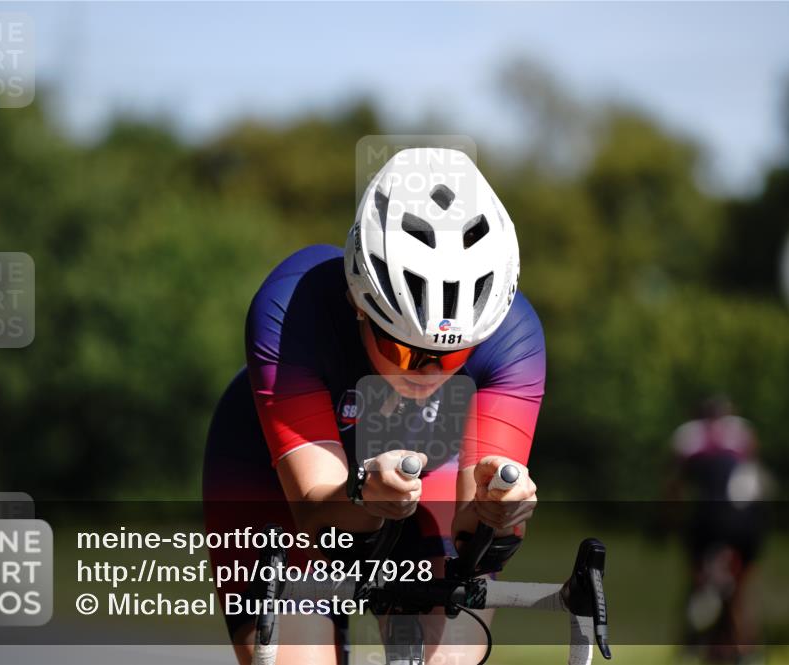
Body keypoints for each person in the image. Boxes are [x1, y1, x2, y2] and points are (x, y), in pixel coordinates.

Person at [203, 148, 545, 664]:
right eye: (401, 349)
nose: (425, 371)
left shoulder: (513, 335)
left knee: (447, 658)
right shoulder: (290, 307)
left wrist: (499, 509)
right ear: (357, 303)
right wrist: (363, 490)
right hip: (276, 479)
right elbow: (317, 513)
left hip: (425, 464)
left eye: (453, 354)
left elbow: (475, 527)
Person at [669, 396, 768, 663]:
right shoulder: (744, 432)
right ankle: (743, 647)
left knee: (700, 579)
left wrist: (670, 523)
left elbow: (675, 489)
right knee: (740, 589)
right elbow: (757, 481)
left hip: (708, 519)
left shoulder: (688, 436)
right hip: (747, 522)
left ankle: (697, 640)